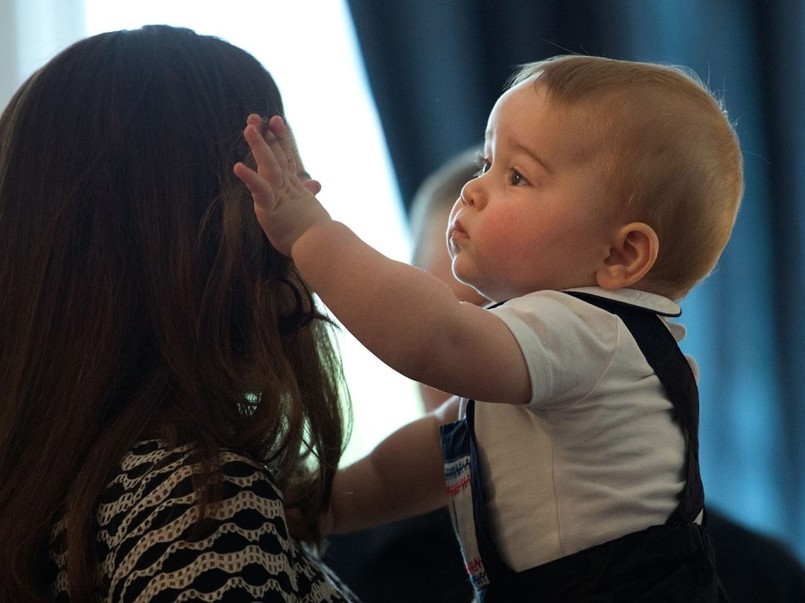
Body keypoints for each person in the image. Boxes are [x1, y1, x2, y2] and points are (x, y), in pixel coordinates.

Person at [236, 55, 743, 600]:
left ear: (621, 254)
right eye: (485, 164)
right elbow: (427, 459)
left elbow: (435, 338)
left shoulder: (593, 333)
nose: (473, 191)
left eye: (517, 175)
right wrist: (323, 503)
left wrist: (310, 234)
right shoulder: (547, 362)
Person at [325, 148, 805, 602]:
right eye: (449, 309)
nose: (470, 356)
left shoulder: (755, 578)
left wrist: (310, 236)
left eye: (509, 317)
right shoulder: (333, 562)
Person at [0, 25, 357, 601]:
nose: (308, 199)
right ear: (215, 229)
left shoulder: (69, 505)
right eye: (281, 178)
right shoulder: (202, 504)